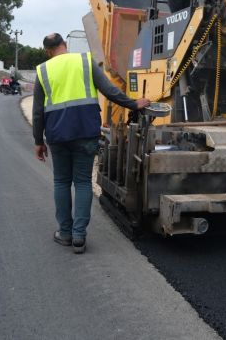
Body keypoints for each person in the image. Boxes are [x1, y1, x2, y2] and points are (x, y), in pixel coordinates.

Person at [33, 33, 150, 254]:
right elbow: (110, 90)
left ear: (48, 52)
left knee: (61, 182)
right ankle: (79, 237)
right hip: (85, 132)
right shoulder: (85, 61)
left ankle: (65, 233)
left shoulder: (43, 70)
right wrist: (134, 104)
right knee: (83, 182)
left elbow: (38, 112)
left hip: (57, 135)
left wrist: (38, 141)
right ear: (64, 44)